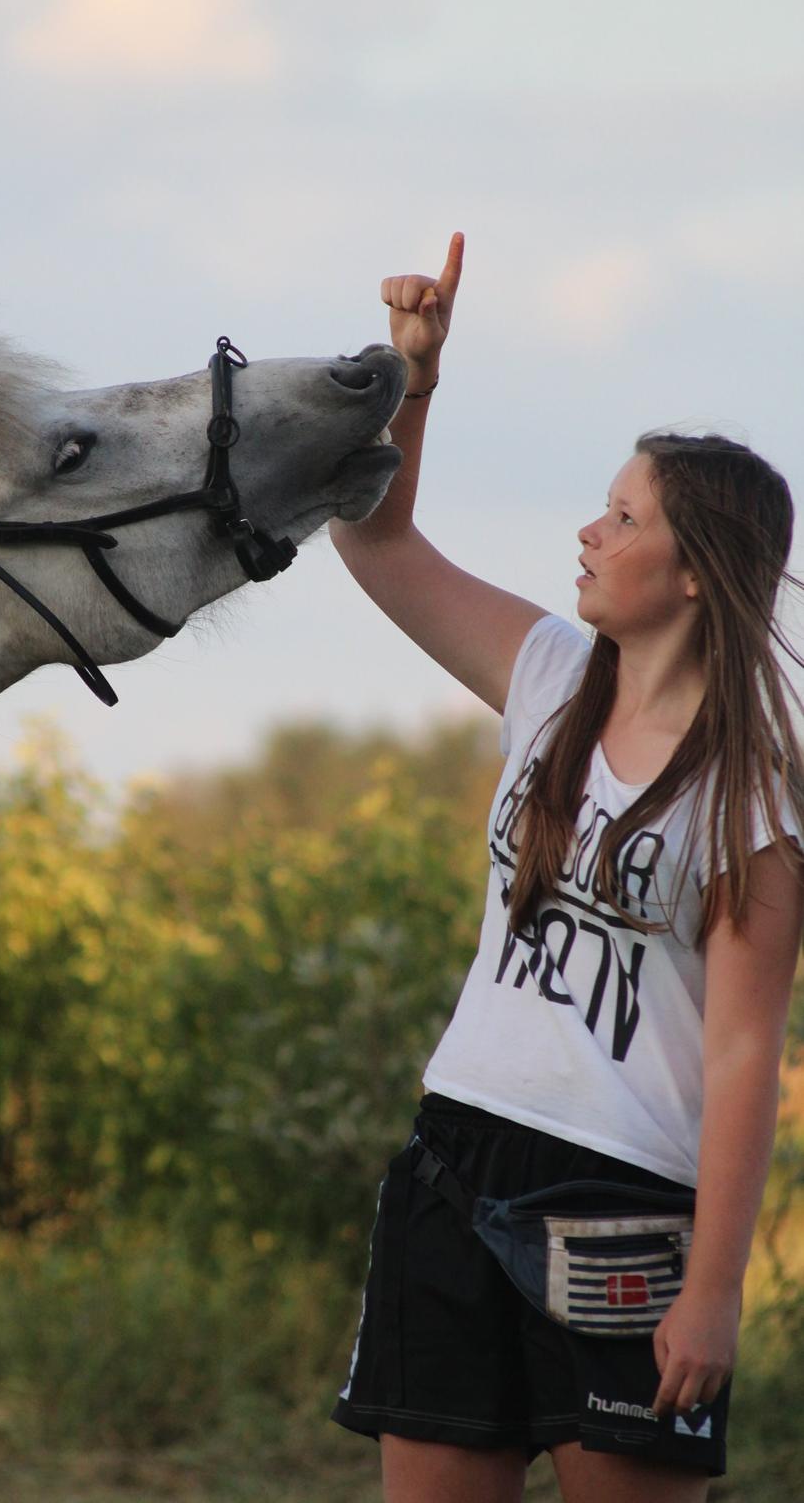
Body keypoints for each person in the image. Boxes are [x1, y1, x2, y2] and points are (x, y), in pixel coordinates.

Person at [329, 233, 804, 1503]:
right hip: (454, 1153)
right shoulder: (545, 673)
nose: (587, 533)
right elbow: (374, 542)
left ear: (695, 572)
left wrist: (715, 1291)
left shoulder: (751, 796)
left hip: (622, 1212)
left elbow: (743, 1054)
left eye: (623, 517)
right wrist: (412, 379)